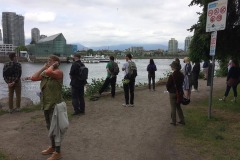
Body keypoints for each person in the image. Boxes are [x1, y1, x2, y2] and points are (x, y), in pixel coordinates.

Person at [25, 55, 64, 160]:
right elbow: (33, 77)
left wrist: (52, 66)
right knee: (49, 127)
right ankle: (52, 147)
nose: (48, 62)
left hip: (54, 104)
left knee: (55, 128)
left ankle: (58, 152)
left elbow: (49, 72)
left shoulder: (58, 72)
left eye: (50, 61)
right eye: (48, 60)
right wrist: (43, 67)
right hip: (46, 103)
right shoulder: (45, 73)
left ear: (56, 63)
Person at [166, 61, 185, 126]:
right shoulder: (182, 75)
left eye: (171, 66)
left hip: (172, 93)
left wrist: (169, 90)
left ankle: (173, 121)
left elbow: (168, 85)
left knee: (173, 107)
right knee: (178, 107)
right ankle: (182, 120)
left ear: (174, 67)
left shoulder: (172, 75)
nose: (171, 67)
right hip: (179, 92)